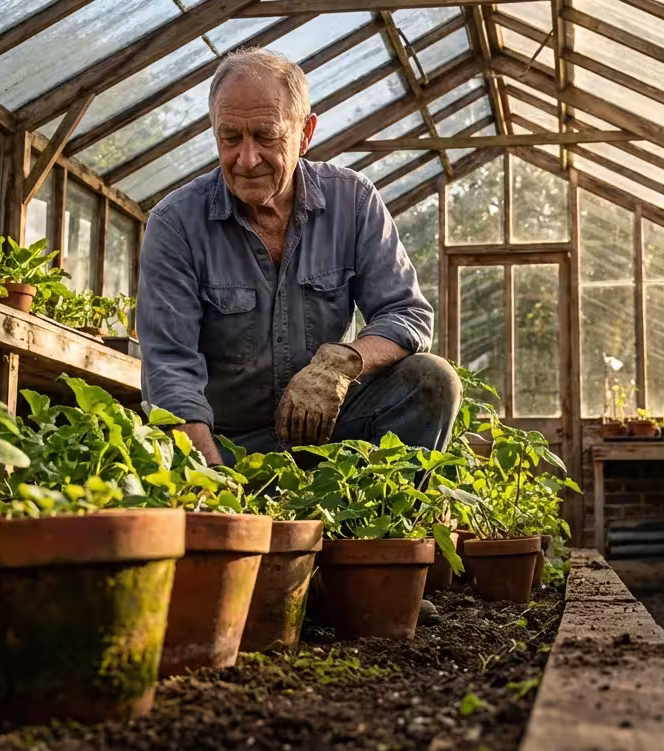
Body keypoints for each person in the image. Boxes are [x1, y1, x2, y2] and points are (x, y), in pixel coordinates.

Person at [136, 48, 460, 465]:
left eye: (266, 136)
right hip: (229, 447)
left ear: (305, 134)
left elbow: (406, 313)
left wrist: (342, 362)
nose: (246, 159)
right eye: (230, 137)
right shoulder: (176, 223)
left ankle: (373, 527)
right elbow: (170, 370)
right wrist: (211, 483)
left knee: (430, 381)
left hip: (332, 433)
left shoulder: (353, 201)